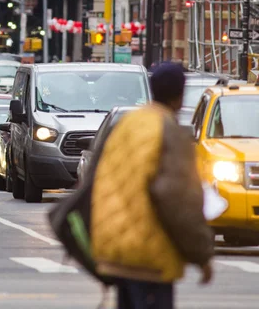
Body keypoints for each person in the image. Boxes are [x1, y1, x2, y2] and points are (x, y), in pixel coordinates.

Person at [89, 62, 214, 309]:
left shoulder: (128, 124)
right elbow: (179, 201)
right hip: (149, 256)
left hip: (115, 250)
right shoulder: (168, 131)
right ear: (179, 96)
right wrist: (201, 254)